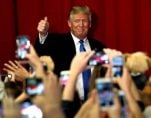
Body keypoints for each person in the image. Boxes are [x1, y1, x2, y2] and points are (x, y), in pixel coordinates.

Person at [34, 5, 106, 100]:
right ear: (69, 23)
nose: (81, 24)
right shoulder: (57, 42)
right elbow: (39, 54)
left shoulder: (99, 47)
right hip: (68, 103)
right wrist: (43, 34)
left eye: (84, 21)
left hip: (93, 103)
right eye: (77, 21)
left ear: (90, 24)